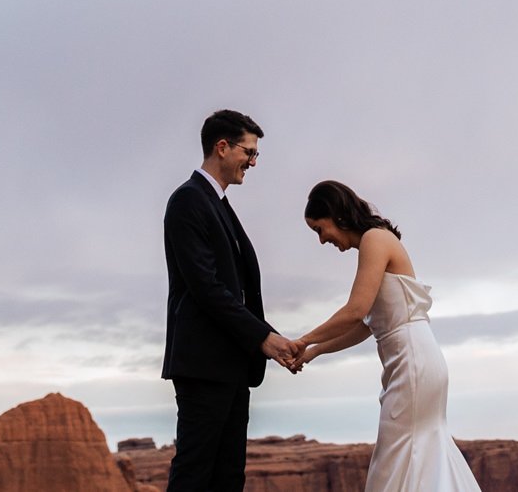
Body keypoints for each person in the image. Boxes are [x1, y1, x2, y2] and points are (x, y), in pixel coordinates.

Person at [292, 180, 483, 492]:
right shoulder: (376, 241)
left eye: (319, 229)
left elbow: (355, 310)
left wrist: (302, 340)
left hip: (412, 364)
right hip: (414, 359)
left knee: (393, 463)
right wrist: (314, 351)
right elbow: (367, 324)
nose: (322, 240)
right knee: (421, 456)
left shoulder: (374, 240)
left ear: (337, 215)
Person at [162, 110, 304, 492]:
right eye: (249, 151)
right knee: (195, 474)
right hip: (204, 365)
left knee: (228, 477)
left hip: (230, 365)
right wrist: (264, 338)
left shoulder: (217, 203)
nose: (253, 162)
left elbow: (237, 289)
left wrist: (270, 337)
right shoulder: (188, 201)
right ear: (221, 147)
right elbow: (206, 288)